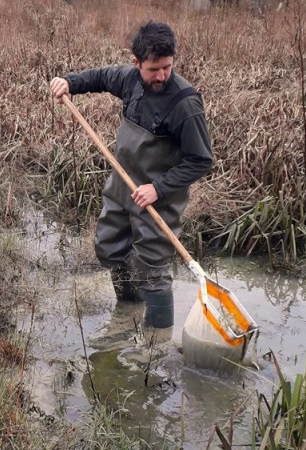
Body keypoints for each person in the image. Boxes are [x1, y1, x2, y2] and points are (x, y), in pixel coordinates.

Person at [50, 21, 213, 329]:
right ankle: (128, 310)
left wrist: (158, 188)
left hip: (158, 199)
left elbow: (200, 160)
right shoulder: (129, 80)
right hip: (121, 188)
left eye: (167, 67)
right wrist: (68, 83)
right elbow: (98, 77)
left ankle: (156, 342)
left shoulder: (185, 103)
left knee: (152, 267)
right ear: (136, 62)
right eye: (153, 69)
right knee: (110, 248)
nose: (161, 76)